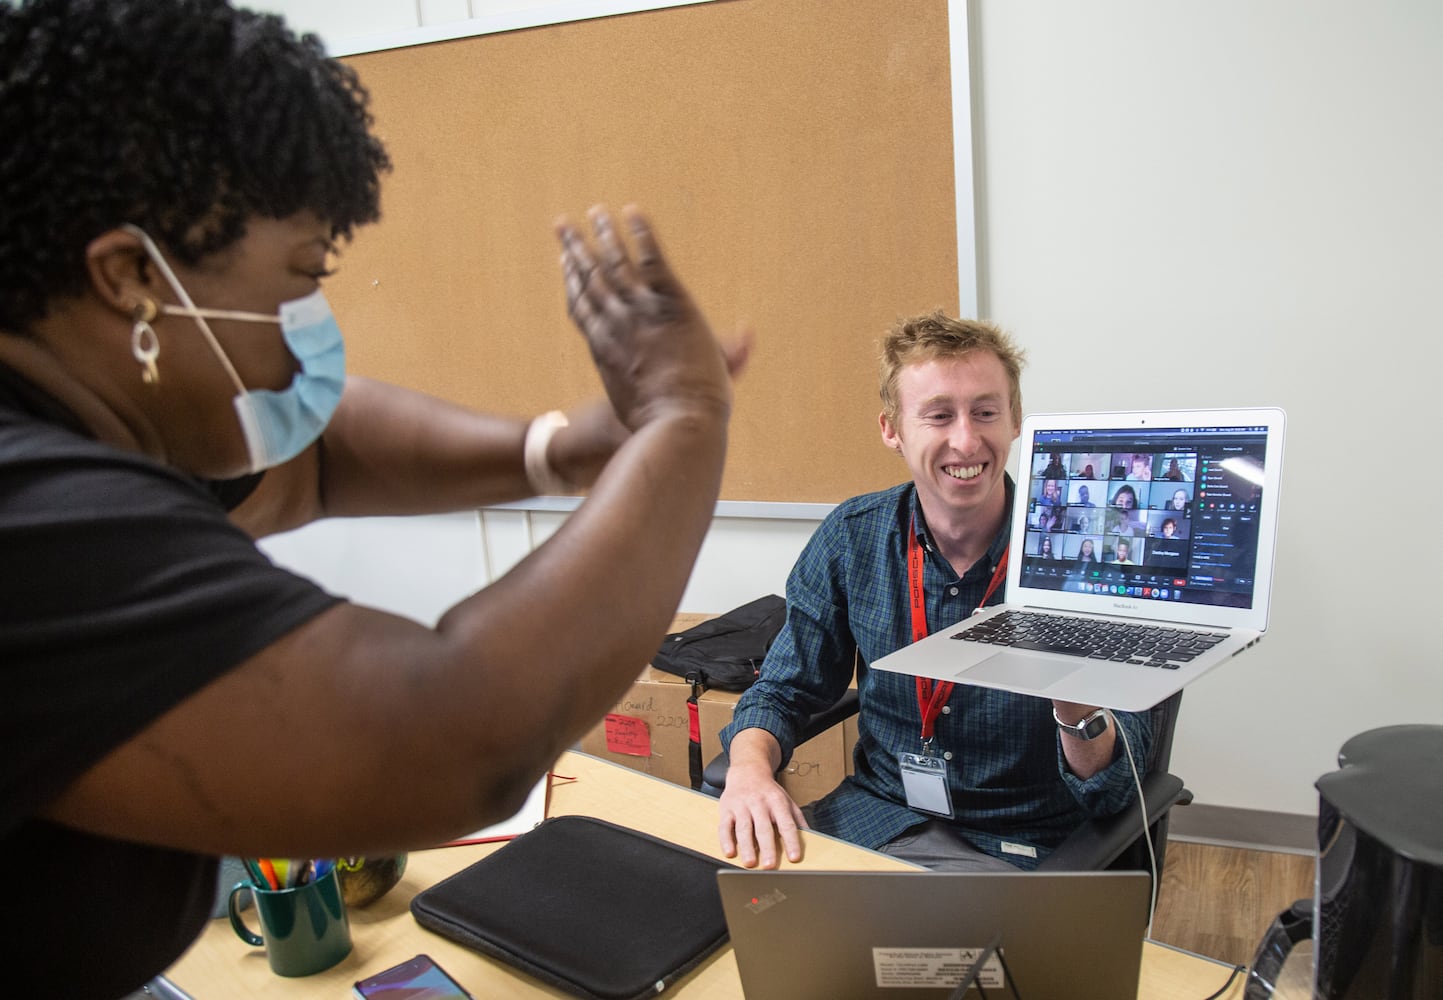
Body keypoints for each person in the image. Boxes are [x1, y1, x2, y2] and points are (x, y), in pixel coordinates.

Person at [0, 3, 748, 996]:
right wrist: (687, 418)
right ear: (134, 276)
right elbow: (455, 733)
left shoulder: (78, 423)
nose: (309, 330)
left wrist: (561, 450)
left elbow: (314, 460)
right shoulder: (31, 519)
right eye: (301, 279)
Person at [716, 311, 1150, 874]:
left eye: (986, 412)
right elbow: (782, 690)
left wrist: (1070, 688)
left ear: (1015, 420)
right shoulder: (854, 537)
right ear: (891, 428)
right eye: (939, 415)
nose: (966, 441)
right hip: (881, 820)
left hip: (1024, 845)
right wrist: (749, 772)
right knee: (754, 926)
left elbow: (1118, 787)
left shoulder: (1086, 553)